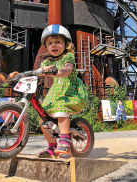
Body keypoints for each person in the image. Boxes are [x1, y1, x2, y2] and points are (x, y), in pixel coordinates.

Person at [9, 24, 88, 158]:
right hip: (56, 92)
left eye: (58, 42)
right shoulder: (46, 62)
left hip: (70, 90)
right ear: (46, 46)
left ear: (66, 44)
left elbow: (67, 70)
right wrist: (21, 76)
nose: (54, 45)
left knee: (61, 108)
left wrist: (57, 71)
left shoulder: (67, 57)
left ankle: (64, 140)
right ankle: (52, 147)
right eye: (50, 43)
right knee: (42, 119)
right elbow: (38, 77)